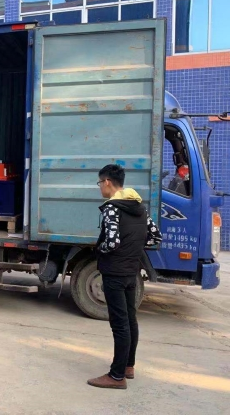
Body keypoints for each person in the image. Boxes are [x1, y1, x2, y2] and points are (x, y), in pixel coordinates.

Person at [88, 164, 162, 390]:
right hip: (132, 271)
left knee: (119, 324)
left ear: (107, 182)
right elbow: (155, 237)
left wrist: (99, 250)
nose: (100, 188)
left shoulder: (112, 208)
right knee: (130, 320)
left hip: (114, 272)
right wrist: (133, 247)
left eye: (100, 183)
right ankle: (128, 366)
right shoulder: (139, 207)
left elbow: (111, 242)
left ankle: (116, 376)